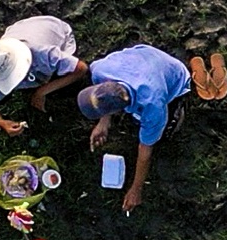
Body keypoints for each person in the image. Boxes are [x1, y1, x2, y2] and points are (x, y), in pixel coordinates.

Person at [77, 44, 194, 213]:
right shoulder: (100, 70)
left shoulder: (152, 106)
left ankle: (177, 110)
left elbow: (145, 151)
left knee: (164, 132)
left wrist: (136, 189)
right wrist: (103, 122)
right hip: (143, 59)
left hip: (174, 75)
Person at [0, 16, 89, 135]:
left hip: (54, 29)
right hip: (20, 28)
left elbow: (81, 68)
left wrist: (41, 92)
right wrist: (2, 122)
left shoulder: (43, 53)